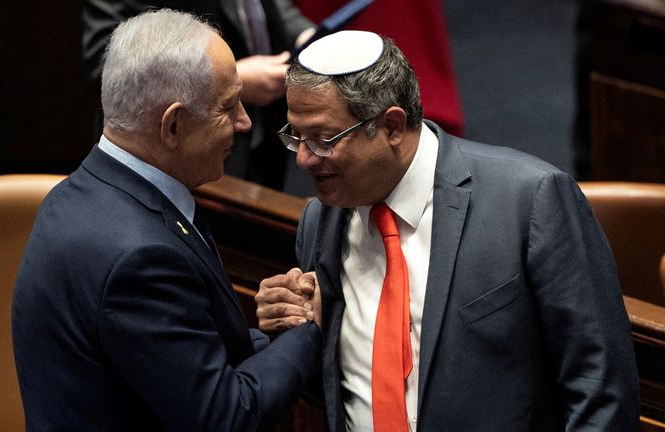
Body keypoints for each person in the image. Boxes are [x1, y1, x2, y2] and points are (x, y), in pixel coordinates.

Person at [254, 30, 639, 431]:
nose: (302, 160)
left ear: (392, 127)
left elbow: (601, 389)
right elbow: (344, 388)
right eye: (295, 137)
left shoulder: (529, 202)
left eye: (322, 139)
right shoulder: (320, 221)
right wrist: (294, 333)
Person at [12, 9, 320, 431]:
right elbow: (226, 416)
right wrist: (313, 329)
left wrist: (276, 335)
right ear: (172, 125)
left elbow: (187, 350)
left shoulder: (80, 193)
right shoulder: (138, 257)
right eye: (228, 107)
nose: (244, 123)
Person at [82, 0, 315, 190]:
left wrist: (305, 35)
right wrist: (232, 81)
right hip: (176, 160)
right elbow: (107, 66)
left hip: (265, 144)